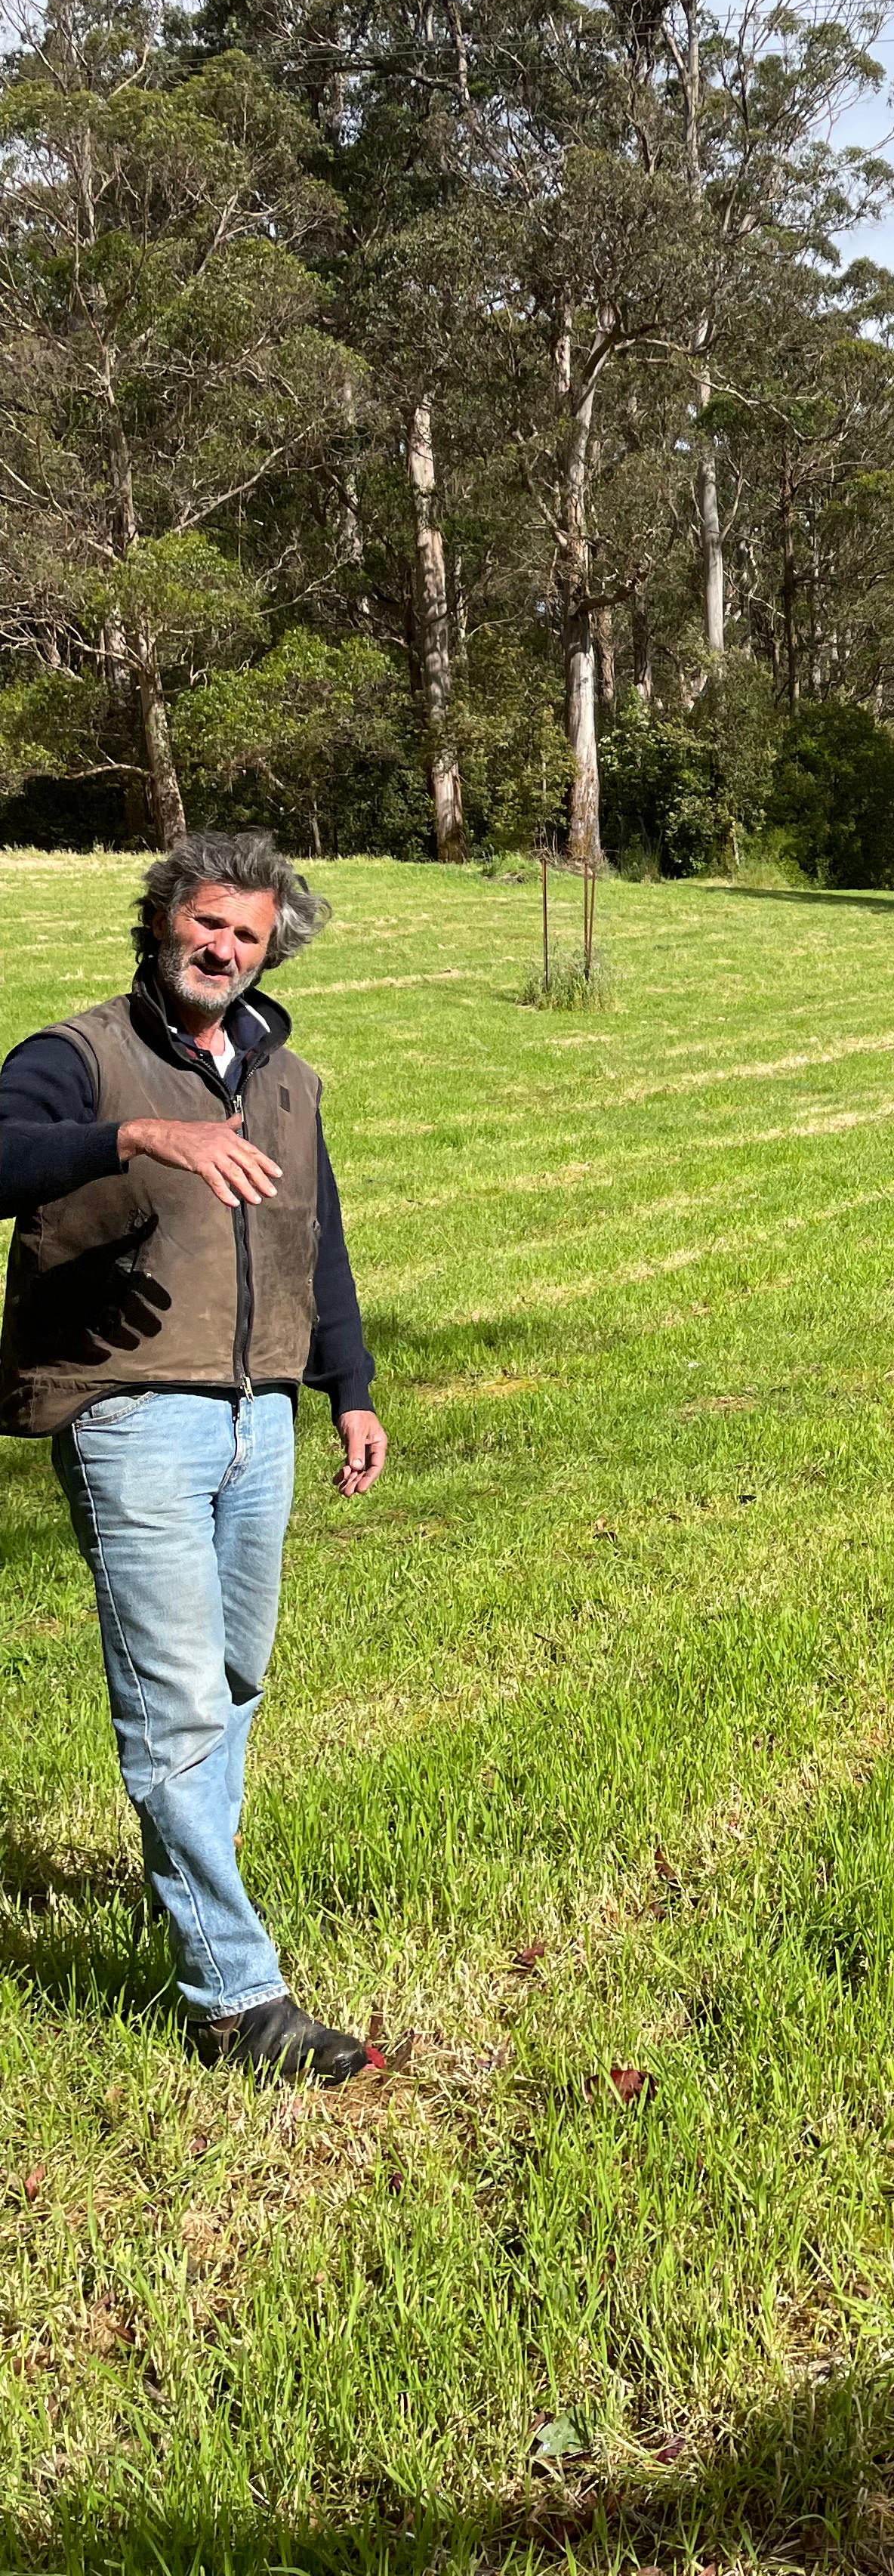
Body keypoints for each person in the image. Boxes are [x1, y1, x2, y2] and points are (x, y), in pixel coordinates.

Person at [0, 832, 387, 2082]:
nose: (222, 948)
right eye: (205, 923)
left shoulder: (288, 1080)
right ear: (161, 919)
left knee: (233, 1680)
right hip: (129, 1416)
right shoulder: (78, 1055)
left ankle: (195, 1903)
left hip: (255, 1417)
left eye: (248, 935)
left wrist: (350, 1389)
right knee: (173, 1704)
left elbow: (316, 1242)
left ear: (272, 949)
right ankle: (236, 1995)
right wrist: (134, 1140)